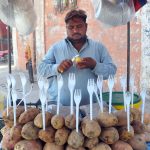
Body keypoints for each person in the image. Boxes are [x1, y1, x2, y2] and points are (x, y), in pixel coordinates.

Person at [38, 9, 117, 106]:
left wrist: (95, 66)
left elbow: (111, 72)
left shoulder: (98, 48)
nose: (75, 30)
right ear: (66, 28)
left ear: (86, 27)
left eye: (79, 26)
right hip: (62, 108)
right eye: (71, 27)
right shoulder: (56, 48)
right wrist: (57, 68)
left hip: (91, 108)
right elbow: (41, 69)